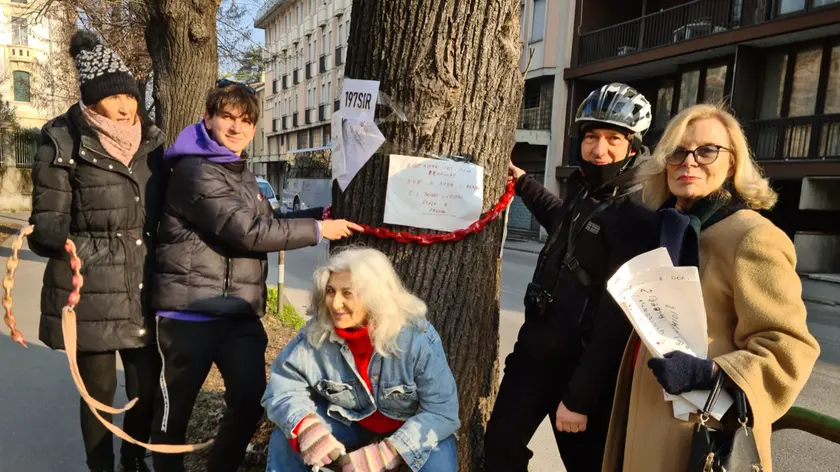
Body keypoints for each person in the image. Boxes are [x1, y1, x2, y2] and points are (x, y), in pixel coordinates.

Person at [149, 81, 362, 472]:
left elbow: (269, 221)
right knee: (173, 415)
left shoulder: (240, 172)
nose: (236, 128)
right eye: (227, 118)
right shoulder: (194, 170)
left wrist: (321, 216)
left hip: (237, 314)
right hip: (188, 315)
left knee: (250, 399)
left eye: (246, 121)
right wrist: (319, 231)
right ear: (208, 119)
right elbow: (247, 232)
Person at [601, 103, 820, 472]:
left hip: (704, 439)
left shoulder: (753, 236)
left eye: (707, 151)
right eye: (678, 152)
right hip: (649, 421)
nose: (689, 162)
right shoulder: (672, 228)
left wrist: (712, 374)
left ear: (733, 163)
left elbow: (790, 349)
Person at [484, 83, 662, 471]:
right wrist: (522, 182)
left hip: (578, 372)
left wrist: (580, 397)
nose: (600, 150)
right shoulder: (589, 193)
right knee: (499, 448)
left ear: (633, 146)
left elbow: (617, 322)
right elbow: (562, 219)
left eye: (613, 139)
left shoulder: (637, 215)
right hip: (533, 357)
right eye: (591, 137)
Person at [27, 31, 163, 472]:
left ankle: (134, 461)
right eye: (115, 97)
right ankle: (101, 466)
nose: (126, 107)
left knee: (147, 388)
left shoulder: (153, 144)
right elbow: (47, 224)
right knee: (99, 393)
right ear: (91, 99)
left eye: (131, 96)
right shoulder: (62, 142)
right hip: (89, 293)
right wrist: (58, 235)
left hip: (141, 288)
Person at [262, 247, 459, 472]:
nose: (335, 304)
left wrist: (390, 452)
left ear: (374, 296)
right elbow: (284, 388)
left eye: (347, 293)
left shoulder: (416, 340)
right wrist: (307, 429)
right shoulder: (317, 334)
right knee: (286, 437)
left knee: (439, 463)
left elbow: (442, 412)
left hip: (409, 428)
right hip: (349, 421)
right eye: (330, 291)